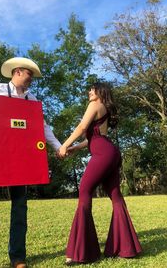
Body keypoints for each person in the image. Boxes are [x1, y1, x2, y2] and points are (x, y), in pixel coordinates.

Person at [0, 57, 61, 268]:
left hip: (23, 159)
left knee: (20, 207)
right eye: (29, 75)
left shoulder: (32, 100)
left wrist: (58, 146)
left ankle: (18, 257)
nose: (31, 80)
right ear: (17, 72)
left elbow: (43, 127)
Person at [58, 82, 142, 265]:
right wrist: (75, 148)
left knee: (85, 191)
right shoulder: (104, 108)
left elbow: (81, 128)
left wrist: (64, 145)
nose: (89, 92)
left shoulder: (94, 104)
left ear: (100, 92)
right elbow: (95, 138)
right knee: (116, 197)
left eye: (92, 89)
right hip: (111, 152)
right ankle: (125, 248)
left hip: (103, 154)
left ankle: (82, 252)